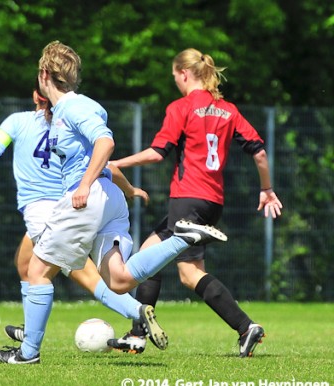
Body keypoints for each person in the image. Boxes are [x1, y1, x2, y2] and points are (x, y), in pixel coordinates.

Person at [0, 41, 227, 365]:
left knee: (37, 270)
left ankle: (27, 353)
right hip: (108, 198)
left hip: (87, 198)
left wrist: (84, 185)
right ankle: (182, 238)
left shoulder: (73, 107)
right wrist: (126, 190)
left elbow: (106, 142)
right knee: (118, 279)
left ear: (44, 75)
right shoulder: (69, 110)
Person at [108, 48, 283, 358]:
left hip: (188, 199)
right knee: (149, 257)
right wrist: (266, 189)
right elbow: (259, 153)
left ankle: (246, 327)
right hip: (212, 200)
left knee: (189, 273)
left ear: (184, 74)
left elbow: (157, 152)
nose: (175, 81)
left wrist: (115, 162)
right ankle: (137, 334)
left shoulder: (182, 107)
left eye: (175, 76)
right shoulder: (228, 110)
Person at [0, 81, 161, 347]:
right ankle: (29, 328)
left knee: (83, 275)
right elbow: (102, 161)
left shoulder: (16, 122)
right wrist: (129, 189)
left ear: (34, 96)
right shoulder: (64, 122)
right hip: (70, 202)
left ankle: (136, 314)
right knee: (24, 263)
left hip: (49, 211)